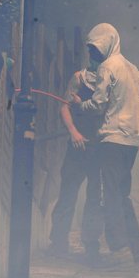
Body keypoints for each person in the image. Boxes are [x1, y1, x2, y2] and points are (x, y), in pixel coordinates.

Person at [73, 23, 139, 266]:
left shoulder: (107, 67)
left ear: (106, 45)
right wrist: (131, 118)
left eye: (95, 49)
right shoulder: (133, 68)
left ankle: (118, 243)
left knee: (108, 193)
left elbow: (98, 104)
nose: (93, 55)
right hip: (131, 140)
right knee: (121, 193)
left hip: (112, 139)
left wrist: (80, 105)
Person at [48, 63, 106, 264]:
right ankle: (58, 243)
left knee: (94, 198)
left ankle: (91, 247)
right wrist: (73, 131)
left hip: (99, 148)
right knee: (67, 194)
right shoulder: (79, 78)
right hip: (78, 146)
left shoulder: (111, 80)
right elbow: (64, 106)